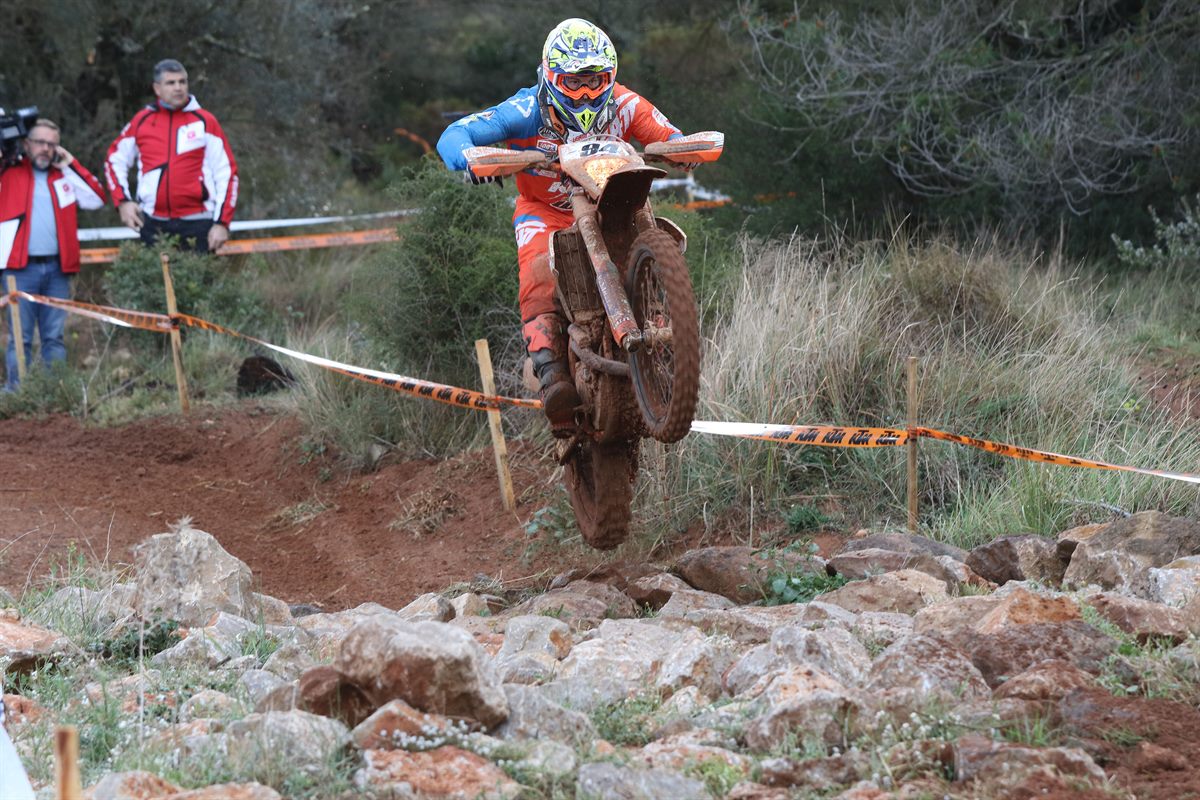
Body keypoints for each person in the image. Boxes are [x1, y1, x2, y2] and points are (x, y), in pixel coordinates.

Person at [437, 18, 686, 432]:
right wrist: (468, 158)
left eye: (597, 81)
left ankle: (667, 321)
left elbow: (667, 132)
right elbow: (457, 132)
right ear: (551, 77)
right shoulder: (525, 109)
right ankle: (551, 372)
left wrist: (682, 148)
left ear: (612, 77)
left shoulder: (623, 104)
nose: (588, 93)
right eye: (574, 83)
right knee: (536, 269)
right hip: (545, 209)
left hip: (613, 202)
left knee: (653, 226)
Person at [0, 119, 107, 391]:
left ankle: (56, 394)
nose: (45, 149)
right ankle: (18, 395)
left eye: (52, 143)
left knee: (53, 337)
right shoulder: (9, 173)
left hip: (58, 270)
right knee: (19, 338)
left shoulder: (64, 176)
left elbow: (96, 199)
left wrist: (71, 164)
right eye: (40, 142)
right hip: (19, 270)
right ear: (27, 144)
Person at [105, 58, 238, 253]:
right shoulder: (142, 120)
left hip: (199, 222)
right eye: (171, 83)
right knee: (155, 283)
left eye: (182, 82)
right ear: (157, 89)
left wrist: (222, 223)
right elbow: (114, 159)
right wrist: (123, 202)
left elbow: (227, 173)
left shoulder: (205, 121)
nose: (178, 88)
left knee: (197, 283)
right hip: (153, 223)